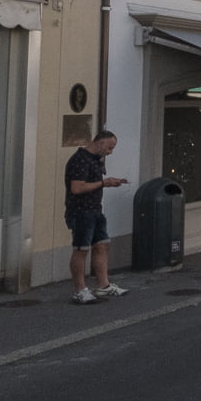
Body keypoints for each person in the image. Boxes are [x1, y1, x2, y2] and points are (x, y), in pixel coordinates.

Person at [64, 130, 130, 304]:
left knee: (102, 245)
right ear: (100, 142)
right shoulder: (80, 160)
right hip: (80, 211)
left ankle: (103, 285)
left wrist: (109, 182)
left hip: (95, 209)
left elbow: (92, 183)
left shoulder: (94, 160)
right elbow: (76, 188)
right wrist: (104, 183)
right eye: (109, 147)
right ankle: (79, 290)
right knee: (81, 249)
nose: (110, 152)